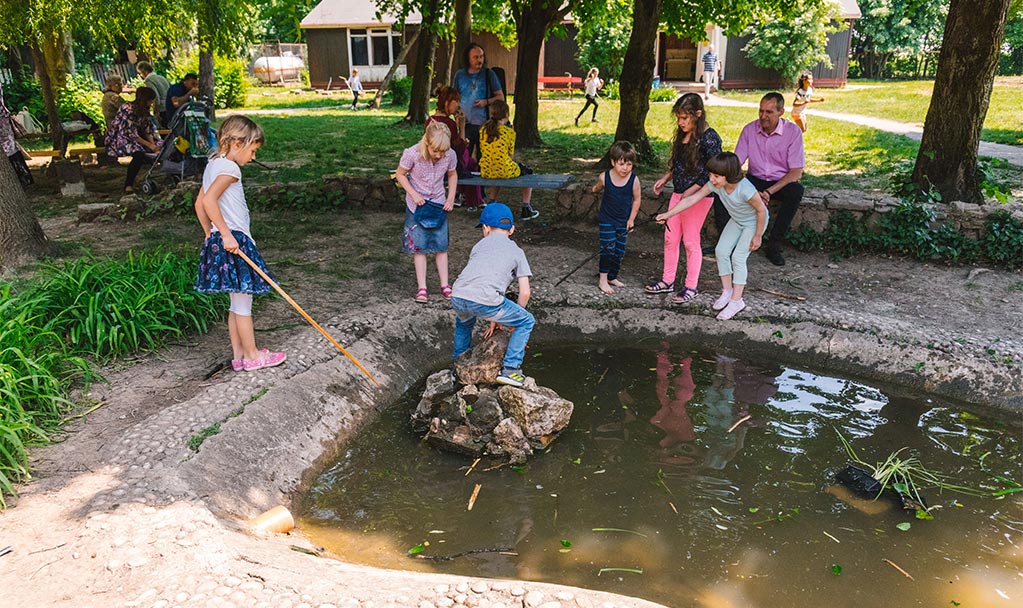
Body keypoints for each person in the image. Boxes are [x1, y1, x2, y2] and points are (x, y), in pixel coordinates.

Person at [193, 115, 286, 372]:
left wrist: (209, 233)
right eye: (253, 150)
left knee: (236, 302)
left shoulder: (212, 165)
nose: (253, 157)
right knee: (243, 302)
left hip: (223, 237)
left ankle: (240, 356)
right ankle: (254, 357)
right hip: (235, 239)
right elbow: (209, 201)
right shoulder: (230, 169)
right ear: (237, 143)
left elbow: (199, 204)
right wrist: (224, 234)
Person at [656, 152, 767, 321]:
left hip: (754, 223)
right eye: (710, 175)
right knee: (721, 251)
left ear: (729, 175)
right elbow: (692, 199)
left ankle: (737, 301)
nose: (711, 179)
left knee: (738, 257)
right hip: (737, 220)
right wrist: (668, 214)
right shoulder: (715, 185)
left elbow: (761, 211)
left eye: (716, 176)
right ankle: (727, 292)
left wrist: (758, 235)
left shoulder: (746, 190)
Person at [646, 93, 722, 304]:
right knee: (670, 238)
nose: (680, 123)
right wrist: (666, 177)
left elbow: (713, 171)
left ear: (697, 115)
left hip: (699, 196)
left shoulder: (710, 138)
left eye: (684, 118)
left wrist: (694, 190)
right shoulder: (682, 134)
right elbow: (677, 162)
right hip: (680, 193)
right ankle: (668, 280)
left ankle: (691, 286)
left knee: (690, 241)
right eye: (678, 118)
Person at [450, 203, 534, 388]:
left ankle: (458, 367)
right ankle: (511, 370)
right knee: (527, 321)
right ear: (512, 229)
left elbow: (483, 282)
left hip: (458, 296)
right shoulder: (517, 252)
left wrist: (494, 319)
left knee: (464, 323)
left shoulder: (479, 246)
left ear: (486, 229)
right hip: (485, 300)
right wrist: (514, 321)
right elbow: (525, 292)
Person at [730, 91, 805, 267]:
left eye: (769, 112)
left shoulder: (793, 132)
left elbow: (796, 172)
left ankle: (774, 244)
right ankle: (728, 240)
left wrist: (768, 192)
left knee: (796, 192)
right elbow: (735, 165)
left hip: (779, 182)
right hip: (754, 178)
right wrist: (750, 189)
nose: (763, 116)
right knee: (722, 188)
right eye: (761, 111)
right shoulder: (750, 130)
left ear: (781, 112)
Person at [395, 121, 458, 303]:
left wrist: (451, 197)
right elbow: (400, 174)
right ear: (427, 143)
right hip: (417, 205)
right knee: (419, 247)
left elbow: (452, 175)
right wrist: (413, 194)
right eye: (435, 151)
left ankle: (445, 285)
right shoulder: (412, 154)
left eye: (442, 152)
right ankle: (422, 288)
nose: (439, 156)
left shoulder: (449, 155)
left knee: (441, 245)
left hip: (438, 204)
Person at [591, 140, 641, 295]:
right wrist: (595, 189)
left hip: (623, 221)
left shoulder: (634, 180)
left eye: (629, 164)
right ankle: (603, 279)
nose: (625, 168)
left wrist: (631, 219)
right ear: (613, 162)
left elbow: (637, 199)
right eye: (621, 164)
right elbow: (598, 188)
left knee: (619, 251)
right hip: (607, 219)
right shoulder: (604, 177)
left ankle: (612, 276)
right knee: (607, 249)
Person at [479, 99, 538, 221]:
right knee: (527, 173)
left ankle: (491, 201)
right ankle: (526, 208)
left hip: (486, 169)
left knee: (496, 169)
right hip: (503, 169)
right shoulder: (509, 132)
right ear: (506, 114)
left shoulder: (483, 130)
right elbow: (510, 157)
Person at [427, 85, 484, 209]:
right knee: (472, 164)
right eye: (456, 101)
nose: (458, 104)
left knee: (468, 162)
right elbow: (460, 149)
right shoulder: (449, 123)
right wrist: (462, 126)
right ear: (447, 102)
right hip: (447, 166)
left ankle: (463, 195)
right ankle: (474, 200)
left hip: (433, 163)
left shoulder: (429, 120)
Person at [452, 42, 504, 160]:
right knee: (464, 158)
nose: (479, 60)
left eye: (481, 56)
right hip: (465, 125)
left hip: (485, 125)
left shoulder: (489, 74)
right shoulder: (460, 75)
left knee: (484, 160)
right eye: (475, 57)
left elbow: (500, 97)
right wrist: (456, 114)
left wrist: (486, 102)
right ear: (468, 59)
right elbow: (455, 98)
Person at [104, 86, 160, 193]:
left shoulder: (145, 112)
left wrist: (154, 145)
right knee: (138, 154)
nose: (151, 103)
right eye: (150, 101)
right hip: (121, 137)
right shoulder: (128, 109)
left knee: (161, 147)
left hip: (138, 136)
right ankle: (128, 184)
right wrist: (149, 145)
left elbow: (147, 129)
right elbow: (130, 133)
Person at [0, 80, 33, 186]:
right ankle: (24, 178)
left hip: (2, 121)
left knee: (10, 151)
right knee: (11, 150)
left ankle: (24, 178)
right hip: (3, 120)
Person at [136, 61, 171, 127]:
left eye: (140, 73)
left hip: (162, 108)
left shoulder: (149, 80)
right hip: (169, 105)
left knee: (164, 130)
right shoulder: (161, 77)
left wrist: (156, 112)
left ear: (144, 72)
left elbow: (155, 97)